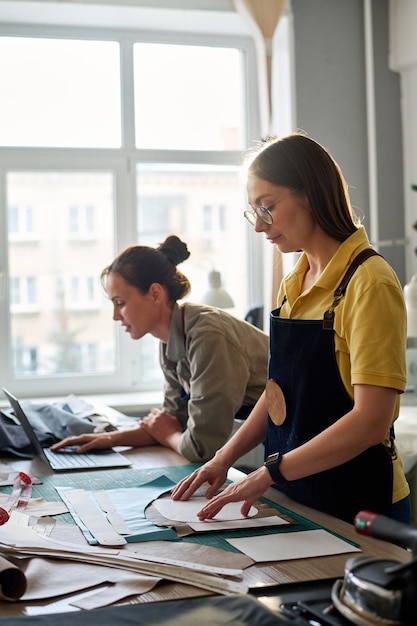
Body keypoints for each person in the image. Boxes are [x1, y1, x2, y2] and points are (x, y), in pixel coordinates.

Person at [171, 133, 411, 525]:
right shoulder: (293, 281)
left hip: (360, 502)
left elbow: (371, 422)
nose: (259, 226)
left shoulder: (369, 282)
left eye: (267, 207)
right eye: (254, 212)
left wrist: (269, 472)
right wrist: (223, 459)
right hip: (296, 493)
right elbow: (278, 392)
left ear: (311, 194)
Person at [51, 235, 269, 463]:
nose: (116, 316)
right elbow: (172, 420)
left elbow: (201, 447)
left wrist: (168, 435)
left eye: (121, 303)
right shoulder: (170, 339)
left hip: (302, 432)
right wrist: (108, 439)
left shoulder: (208, 336)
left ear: (155, 293)